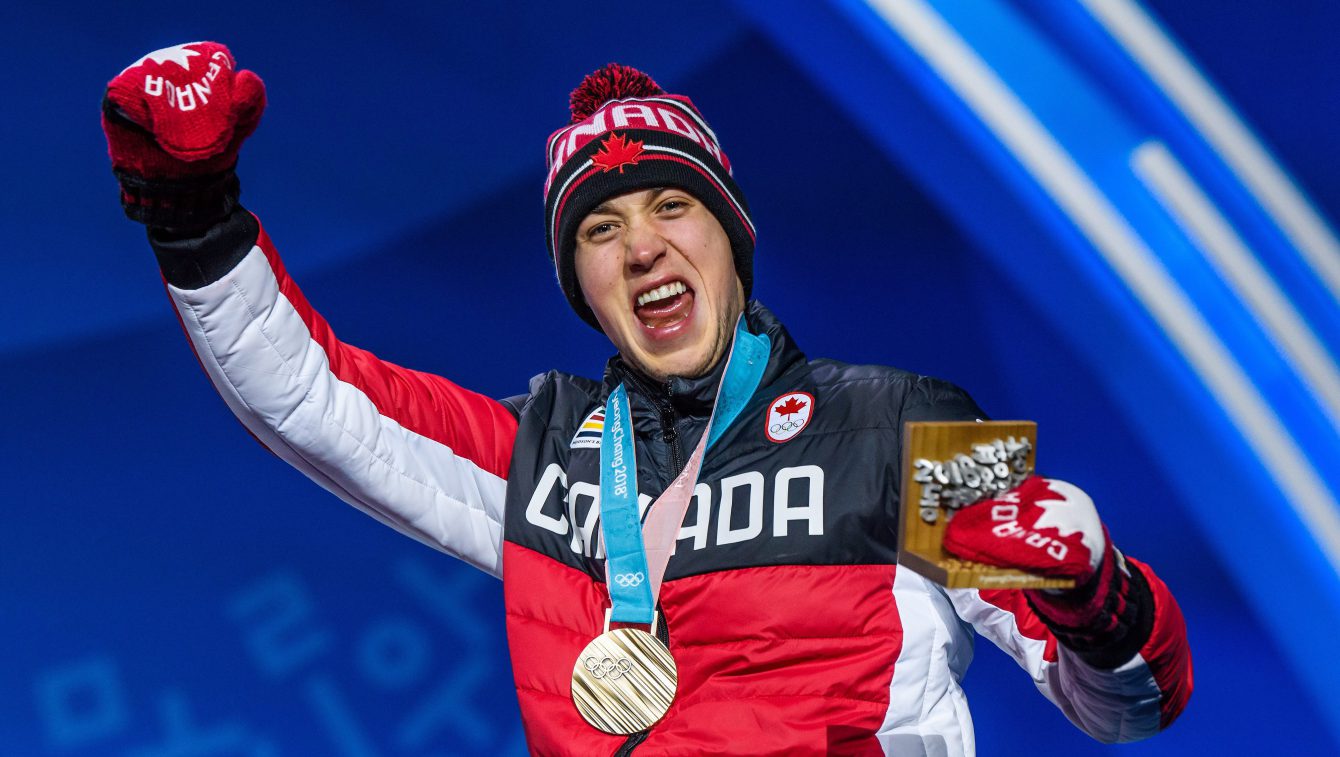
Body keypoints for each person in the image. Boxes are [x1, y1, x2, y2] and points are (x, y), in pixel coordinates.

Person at [102, 42, 1191, 756]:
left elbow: (1121, 707)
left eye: (672, 204)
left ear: (730, 237)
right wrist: (191, 213)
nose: (640, 248)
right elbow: (314, 398)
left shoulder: (907, 419)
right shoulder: (545, 452)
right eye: (597, 230)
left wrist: (1098, 604)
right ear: (579, 283)